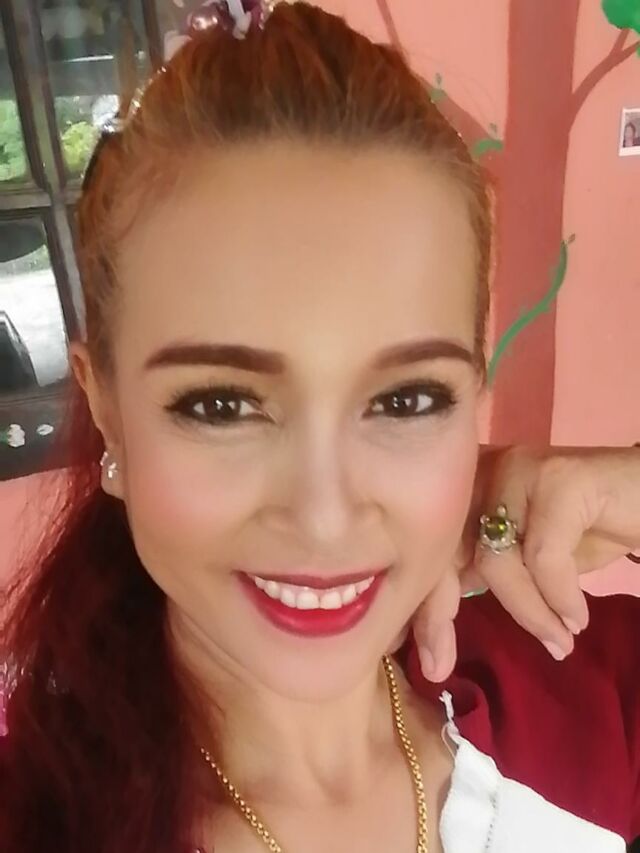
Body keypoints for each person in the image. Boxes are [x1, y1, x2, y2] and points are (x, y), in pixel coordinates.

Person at [1, 3, 639, 851]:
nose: (324, 515)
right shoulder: (34, 813)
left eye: (406, 400)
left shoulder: (584, 698)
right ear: (108, 412)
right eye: (222, 404)